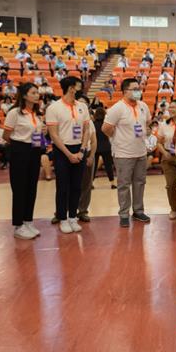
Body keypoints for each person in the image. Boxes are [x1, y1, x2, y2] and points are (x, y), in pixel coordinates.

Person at [102, 79, 151, 227]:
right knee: (124, 185)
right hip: (123, 153)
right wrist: (119, 138)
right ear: (125, 91)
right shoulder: (117, 108)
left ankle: (138, 211)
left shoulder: (143, 106)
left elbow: (147, 123)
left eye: (139, 88)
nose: (138, 91)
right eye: (134, 89)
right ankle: (124, 213)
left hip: (141, 152)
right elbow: (106, 128)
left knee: (139, 183)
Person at [45, 76, 90, 234]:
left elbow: (86, 130)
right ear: (71, 88)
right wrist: (68, 154)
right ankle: (62, 218)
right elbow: (54, 135)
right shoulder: (54, 108)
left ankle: (73, 217)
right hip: (62, 150)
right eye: (77, 86)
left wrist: (82, 150)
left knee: (76, 186)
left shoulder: (82, 107)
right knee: (63, 186)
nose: (79, 88)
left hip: (79, 149)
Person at [3, 83, 44, 240]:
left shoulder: (35, 113)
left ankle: (28, 221)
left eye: (37, 92)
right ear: (25, 95)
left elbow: (36, 134)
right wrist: (19, 145)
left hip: (34, 150)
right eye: (33, 92)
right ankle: (18, 225)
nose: (36, 95)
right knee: (19, 188)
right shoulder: (15, 113)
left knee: (31, 187)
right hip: (20, 150)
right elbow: (6, 135)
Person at [157, 99, 176, 222]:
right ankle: (173, 209)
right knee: (170, 185)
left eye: (174, 107)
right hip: (168, 157)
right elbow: (158, 143)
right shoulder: (164, 124)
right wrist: (164, 153)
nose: (171, 109)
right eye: (170, 107)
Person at [76, 95, 96, 223]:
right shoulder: (68, 118)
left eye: (85, 104)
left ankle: (83, 211)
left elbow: (94, 141)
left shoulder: (89, 122)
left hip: (87, 154)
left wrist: (91, 156)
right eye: (80, 103)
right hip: (70, 152)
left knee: (86, 185)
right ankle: (62, 211)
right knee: (66, 184)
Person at [93, 108, 116, 189]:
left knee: (94, 166)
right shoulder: (106, 124)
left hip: (95, 146)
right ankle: (112, 183)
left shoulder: (93, 124)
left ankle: (91, 183)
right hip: (106, 146)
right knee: (108, 166)